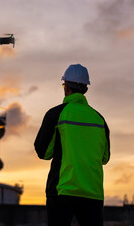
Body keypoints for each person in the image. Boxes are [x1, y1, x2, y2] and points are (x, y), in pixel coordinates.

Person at [34, 64, 110, 226]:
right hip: (92, 192)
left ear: (66, 87)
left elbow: (43, 152)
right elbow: (105, 157)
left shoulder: (56, 114)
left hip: (62, 190)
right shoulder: (99, 119)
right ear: (85, 89)